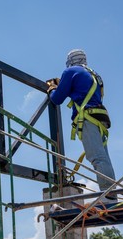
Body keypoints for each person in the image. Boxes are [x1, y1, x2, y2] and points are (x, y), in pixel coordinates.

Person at [46, 49, 117, 203]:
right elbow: (80, 89)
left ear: (70, 61)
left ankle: (108, 196)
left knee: (97, 158)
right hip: (99, 118)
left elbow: (57, 99)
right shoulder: (93, 74)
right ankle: (111, 195)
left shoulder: (70, 71)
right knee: (104, 158)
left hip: (88, 118)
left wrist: (52, 89)